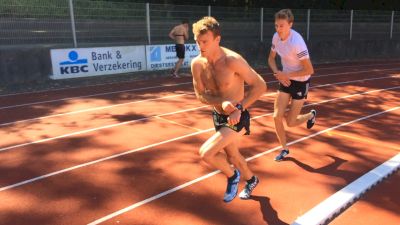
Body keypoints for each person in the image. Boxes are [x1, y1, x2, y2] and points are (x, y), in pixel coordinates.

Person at [191, 16, 267, 202]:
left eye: (205, 41)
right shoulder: (197, 64)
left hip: (238, 116)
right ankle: (252, 180)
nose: (200, 46)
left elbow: (260, 86)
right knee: (232, 155)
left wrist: (238, 108)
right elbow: (200, 95)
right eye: (197, 42)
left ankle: (233, 177)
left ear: (217, 39)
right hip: (218, 116)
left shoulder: (233, 61)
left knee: (206, 153)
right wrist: (222, 101)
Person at [267, 9, 317, 162]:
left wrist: (285, 75)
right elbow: (270, 59)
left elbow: (310, 69)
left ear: (290, 25)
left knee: (290, 122)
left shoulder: (297, 42)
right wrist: (278, 73)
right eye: (276, 25)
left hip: (301, 82)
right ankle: (284, 149)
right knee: (276, 117)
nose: (278, 29)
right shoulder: (276, 38)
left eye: (282, 26)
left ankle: (310, 115)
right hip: (285, 79)